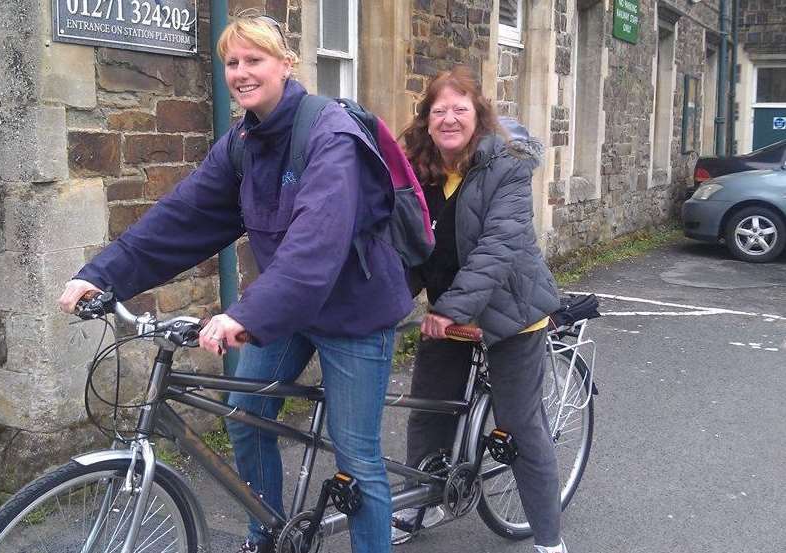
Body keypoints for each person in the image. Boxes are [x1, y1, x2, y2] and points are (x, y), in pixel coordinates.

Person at [58, 12, 413, 553]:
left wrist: (247, 315)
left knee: (357, 456)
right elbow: (183, 217)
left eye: (255, 60)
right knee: (247, 421)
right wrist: (99, 275)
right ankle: (267, 535)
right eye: (232, 62)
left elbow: (314, 245)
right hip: (289, 308)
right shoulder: (244, 142)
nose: (242, 72)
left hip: (353, 313)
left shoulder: (330, 136)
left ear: (286, 65)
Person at [392, 66, 566, 553]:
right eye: (439, 110)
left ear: (478, 115)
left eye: (460, 109)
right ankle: (416, 506)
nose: (449, 118)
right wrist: (378, 306)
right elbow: (411, 250)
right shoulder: (418, 172)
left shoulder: (506, 166)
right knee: (428, 410)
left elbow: (497, 246)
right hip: (450, 309)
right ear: (426, 120)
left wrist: (448, 310)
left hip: (511, 312)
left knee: (519, 423)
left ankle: (549, 540)